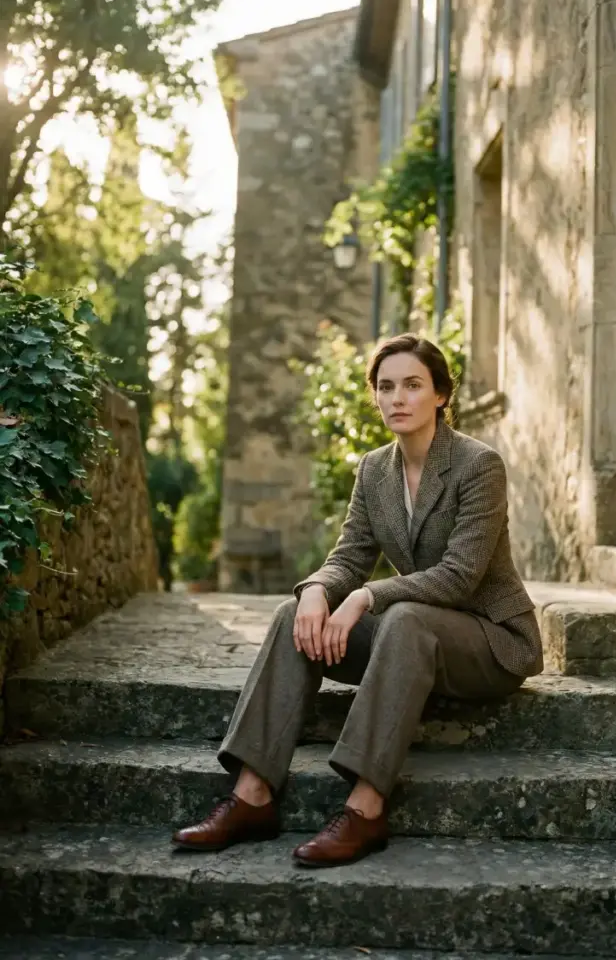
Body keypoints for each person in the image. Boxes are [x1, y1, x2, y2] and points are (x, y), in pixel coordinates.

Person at [172, 333, 544, 867]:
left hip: (488, 640)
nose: (398, 398)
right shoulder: (374, 470)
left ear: (440, 394)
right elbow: (349, 556)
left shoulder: (478, 465)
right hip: (408, 642)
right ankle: (252, 795)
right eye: (386, 386)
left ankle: (365, 810)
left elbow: (459, 577)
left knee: (406, 617)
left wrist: (367, 596)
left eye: (413, 385)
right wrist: (319, 591)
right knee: (291, 615)